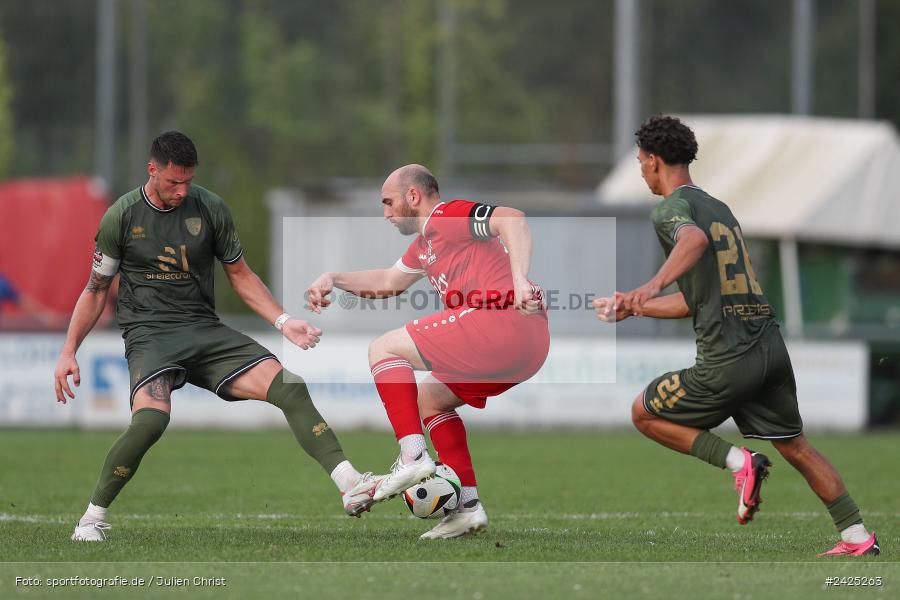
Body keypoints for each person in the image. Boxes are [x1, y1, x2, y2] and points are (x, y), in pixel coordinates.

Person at [54, 131, 380, 542]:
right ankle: (91, 518)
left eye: (188, 181)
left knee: (289, 388)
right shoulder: (121, 216)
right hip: (150, 334)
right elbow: (96, 289)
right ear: (151, 170)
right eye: (174, 182)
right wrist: (69, 351)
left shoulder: (210, 209)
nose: (182, 190)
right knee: (151, 421)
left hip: (204, 330)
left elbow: (240, 275)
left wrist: (283, 321)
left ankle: (349, 482)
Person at [594, 115, 879, 557]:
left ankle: (738, 462)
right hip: (769, 348)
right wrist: (635, 306)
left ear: (653, 161)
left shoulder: (670, 209)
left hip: (728, 357)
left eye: (639, 161)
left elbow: (692, 244)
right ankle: (857, 537)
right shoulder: (719, 208)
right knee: (797, 446)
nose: (641, 170)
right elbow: (694, 301)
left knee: (643, 413)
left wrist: (647, 287)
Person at [307, 164, 549, 539]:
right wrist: (333, 279)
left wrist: (519, 282)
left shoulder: (447, 218)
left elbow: (512, 219)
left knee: (383, 349)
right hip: (529, 345)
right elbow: (387, 282)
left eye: (389, 203)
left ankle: (413, 457)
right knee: (431, 400)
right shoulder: (425, 245)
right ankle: (467, 508)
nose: (386, 213)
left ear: (414, 196)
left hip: (502, 320)